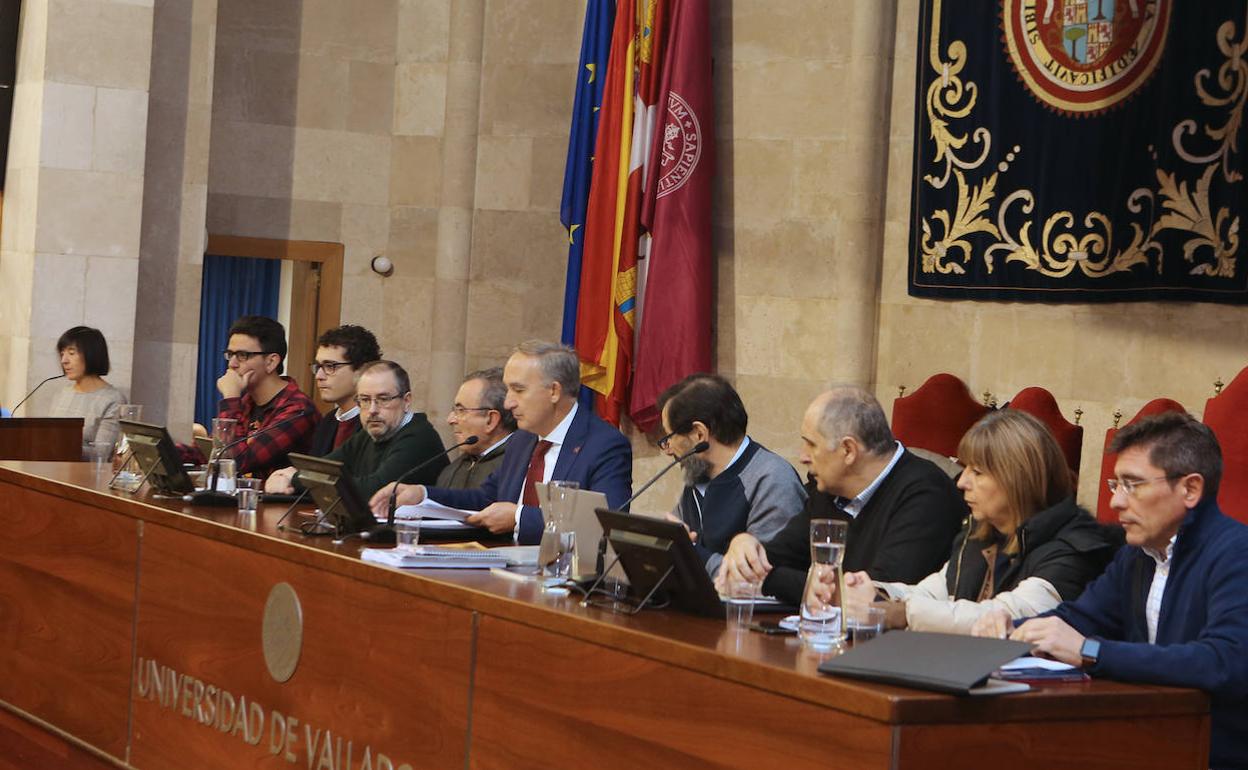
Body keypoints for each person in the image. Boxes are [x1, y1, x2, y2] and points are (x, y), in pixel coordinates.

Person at [1004, 413, 1248, 770]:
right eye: (1114, 484)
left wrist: (1089, 652)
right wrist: (1011, 630)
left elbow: (1224, 663)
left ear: (1190, 489)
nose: (1116, 501)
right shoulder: (1137, 554)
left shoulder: (1236, 554)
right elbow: (1078, 619)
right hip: (1144, 743)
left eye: (1132, 485)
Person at [839, 409, 1115, 634]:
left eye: (978, 472)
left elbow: (1003, 616)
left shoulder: (1074, 548)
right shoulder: (980, 532)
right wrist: (872, 592)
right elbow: (931, 594)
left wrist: (899, 612)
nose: (962, 482)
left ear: (1018, 480)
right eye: (964, 468)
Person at [719, 387, 965, 605]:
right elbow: (779, 558)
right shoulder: (829, 489)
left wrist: (769, 577)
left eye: (811, 444)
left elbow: (875, 595)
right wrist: (745, 547)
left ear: (848, 450)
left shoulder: (927, 496)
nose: (803, 456)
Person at [369, 340, 632, 544]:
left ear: (553, 391)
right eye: (508, 391)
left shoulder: (604, 445)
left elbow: (605, 524)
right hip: (504, 566)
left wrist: (518, 518)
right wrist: (423, 494)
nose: (508, 403)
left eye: (518, 390)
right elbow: (486, 498)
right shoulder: (522, 440)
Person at [656, 374, 805, 579]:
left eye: (669, 438)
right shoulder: (698, 475)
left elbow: (757, 579)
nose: (668, 449)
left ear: (699, 434)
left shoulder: (773, 479)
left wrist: (690, 554)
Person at [265, 361, 446, 500]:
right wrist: (292, 474)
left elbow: (373, 490)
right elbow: (322, 468)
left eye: (383, 399)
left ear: (406, 401)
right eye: (365, 400)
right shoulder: (370, 434)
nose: (373, 409)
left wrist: (294, 478)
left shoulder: (419, 437)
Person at [212, 315, 319, 478]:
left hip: (281, 502)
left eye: (242, 355)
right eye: (230, 354)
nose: (232, 364)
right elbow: (218, 454)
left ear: (271, 362)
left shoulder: (297, 409)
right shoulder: (247, 402)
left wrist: (230, 399)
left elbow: (238, 463)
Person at [435, 367, 516, 490]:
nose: (450, 419)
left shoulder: (517, 468)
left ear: (491, 420)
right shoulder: (452, 471)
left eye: (461, 410)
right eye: (454, 410)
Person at [48, 326, 126, 452]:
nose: (64, 361)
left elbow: (101, 453)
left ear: (91, 354)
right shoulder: (63, 393)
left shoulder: (113, 400)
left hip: (85, 471)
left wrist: (58, 447)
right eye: (62, 354)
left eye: (71, 353)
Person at [306, 324, 381, 456]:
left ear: (361, 370)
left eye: (330, 366)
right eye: (318, 366)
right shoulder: (327, 422)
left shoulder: (377, 422)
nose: (319, 376)